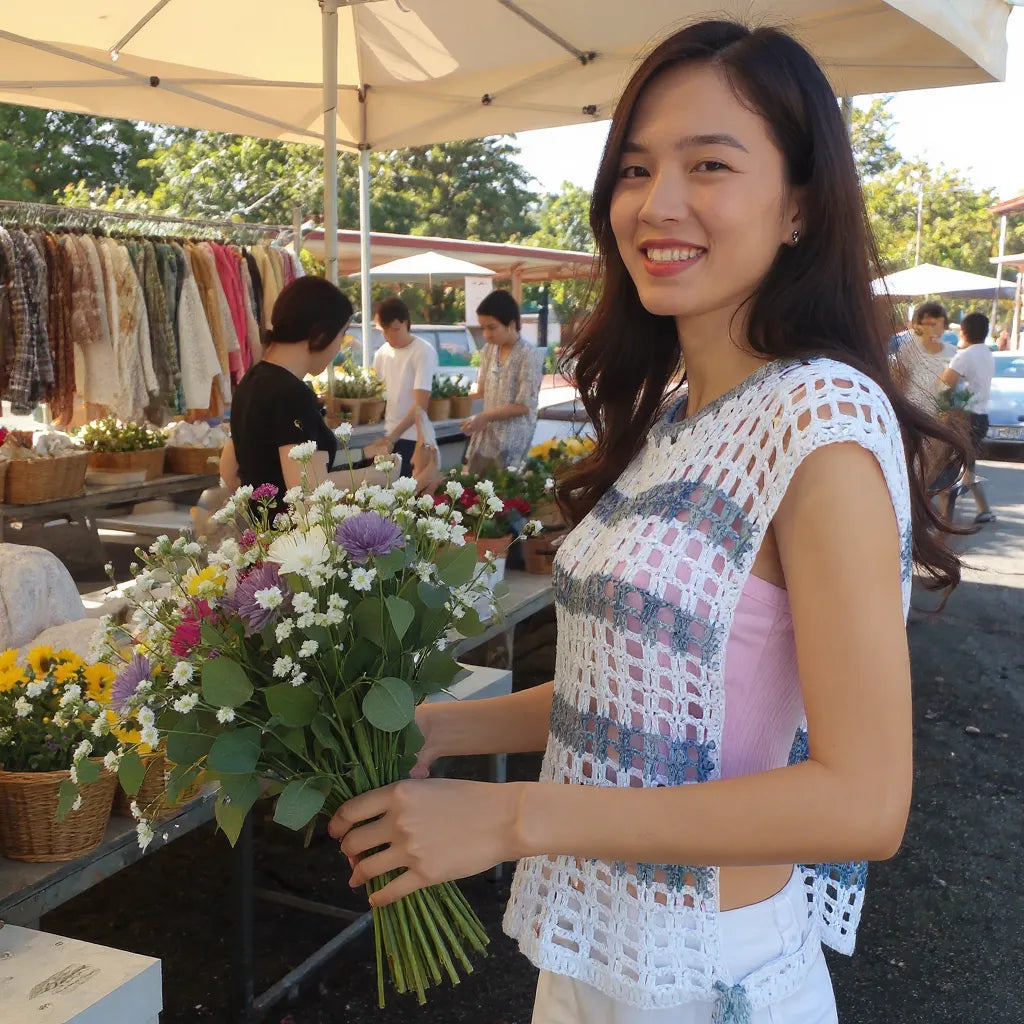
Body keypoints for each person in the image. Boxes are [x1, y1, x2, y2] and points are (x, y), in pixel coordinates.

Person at [328, 20, 966, 1024]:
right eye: (633, 168)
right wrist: (443, 727)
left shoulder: (819, 423)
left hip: (713, 978)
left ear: (799, 205)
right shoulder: (680, 412)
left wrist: (511, 815)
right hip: (593, 955)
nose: (656, 204)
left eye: (708, 163)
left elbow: (863, 801)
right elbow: (639, 691)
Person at [220, 278, 439, 502]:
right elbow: (308, 487)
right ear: (321, 335)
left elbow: (229, 472)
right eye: (342, 334)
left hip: (264, 529)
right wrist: (383, 475)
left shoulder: (251, 381)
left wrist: (363, 455)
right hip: (294, 533)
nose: (339, 346)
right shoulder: (291, 393)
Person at [462, 289, 543, 474]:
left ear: (511, 324)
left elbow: (524, 406)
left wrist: (485, 416)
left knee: (504, 496)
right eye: (482, 328)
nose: (486, 335)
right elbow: (482, 391)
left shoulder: (529, 355)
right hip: (485, 439)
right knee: (473, 493)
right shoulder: (488, 351)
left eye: (492, 327)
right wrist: (455, 400)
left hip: (513, 442)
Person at [364, 298, 439, 478]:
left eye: (395, 330)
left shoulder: (423, 351)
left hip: (413, 438)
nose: (390, 337)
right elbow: (377, 394)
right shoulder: (382, 353)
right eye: (384, 332)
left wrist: (393, 437)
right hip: (387, 435)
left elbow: (420, 405)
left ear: (406, 323)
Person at [940, 311, 996, 525]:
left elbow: (944, 384)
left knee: (949, 470)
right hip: (981, 418)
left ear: (963, 331)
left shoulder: (965, 356)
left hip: (964, 419)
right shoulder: (987, 353)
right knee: (968, 468)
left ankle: (945, 524)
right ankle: (985, 510)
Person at [893, 301, 954, 406]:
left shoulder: (952, 354)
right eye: (927, 324)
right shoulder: (909, 348)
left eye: (935, 324)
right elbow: (898, 381)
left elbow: (953, 390)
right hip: (910, 410)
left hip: (936, 415)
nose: (931, 329)